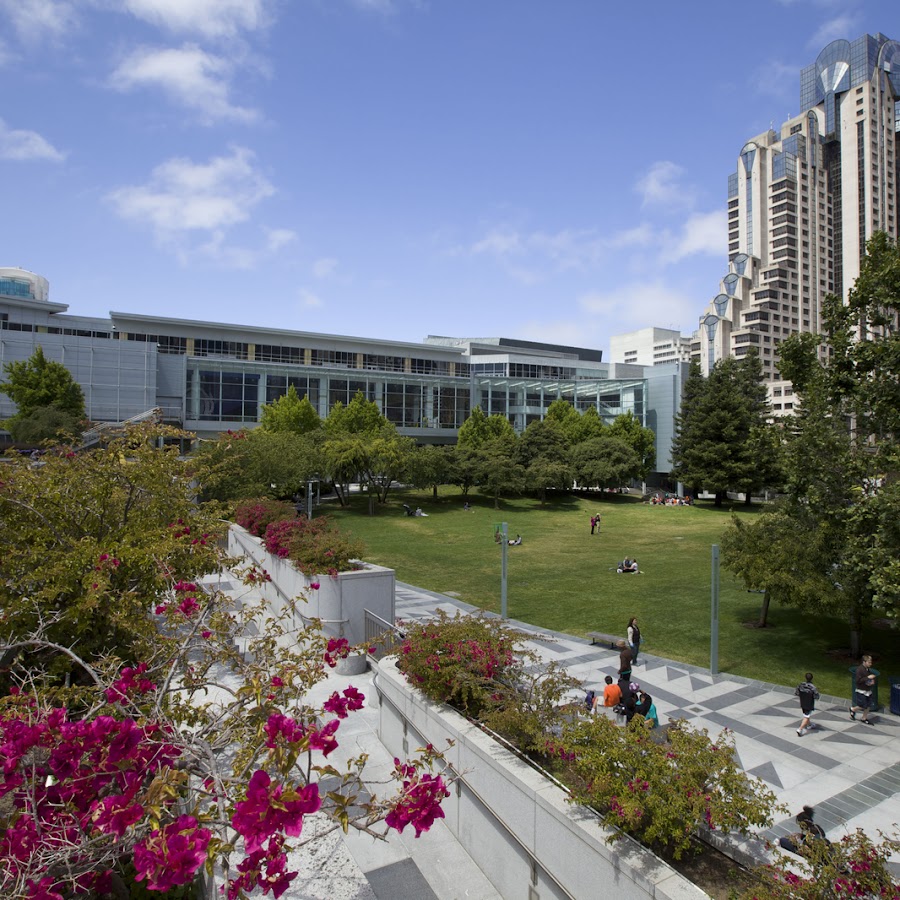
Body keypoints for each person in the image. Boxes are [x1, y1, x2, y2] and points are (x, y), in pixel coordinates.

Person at [849, 655, 876, 726]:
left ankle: (864, 718)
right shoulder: (859, 670)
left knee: (868, 704)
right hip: (861, 690)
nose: (870, 664)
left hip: (868, 690)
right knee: (862, 705)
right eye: (869, 662)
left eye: (871, 662)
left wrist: (871, 681)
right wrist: (867, 677)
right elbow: (858, 681)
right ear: (864, 662)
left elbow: (868, 679)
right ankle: (853, 709)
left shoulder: (867, 669)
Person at [795, 672, 820, 736]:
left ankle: (809, 725)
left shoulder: (801, 685)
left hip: (803, 702)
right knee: (806, 716)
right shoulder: (813, 687)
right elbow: (816, 696)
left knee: (806, 715)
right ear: (812, 678)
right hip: (809, 704)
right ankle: (800, 729)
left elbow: (797, 693)